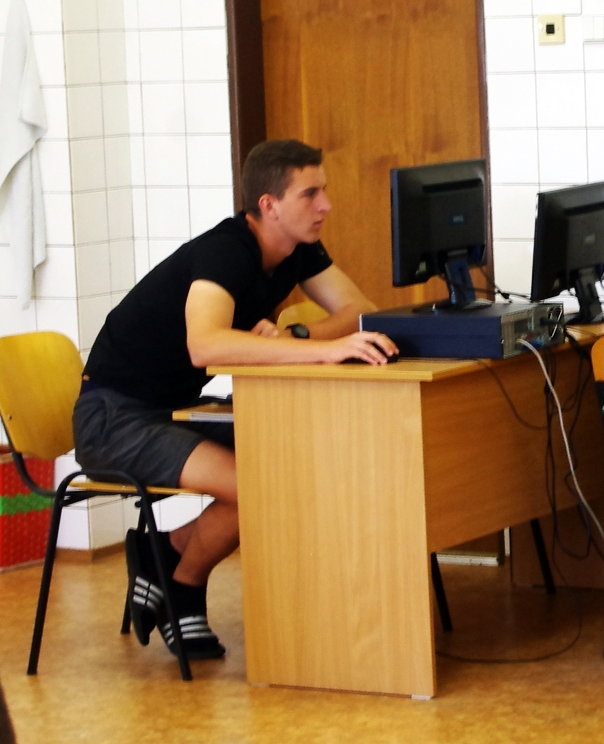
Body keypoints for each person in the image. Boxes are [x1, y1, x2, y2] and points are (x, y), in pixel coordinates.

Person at [72, 139, 397, 660]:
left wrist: (295, 338)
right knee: (260, 484)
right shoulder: (226, 251)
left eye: (324, 191)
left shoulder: (296, 250)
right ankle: (183, 583)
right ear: (269, 205)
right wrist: (323, 350)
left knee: (296, 463)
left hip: (172, 413)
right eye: (310, 194)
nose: (326, 205)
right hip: (112, 417)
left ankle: (166, 552)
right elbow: (204, 344)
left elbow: (360, 310)